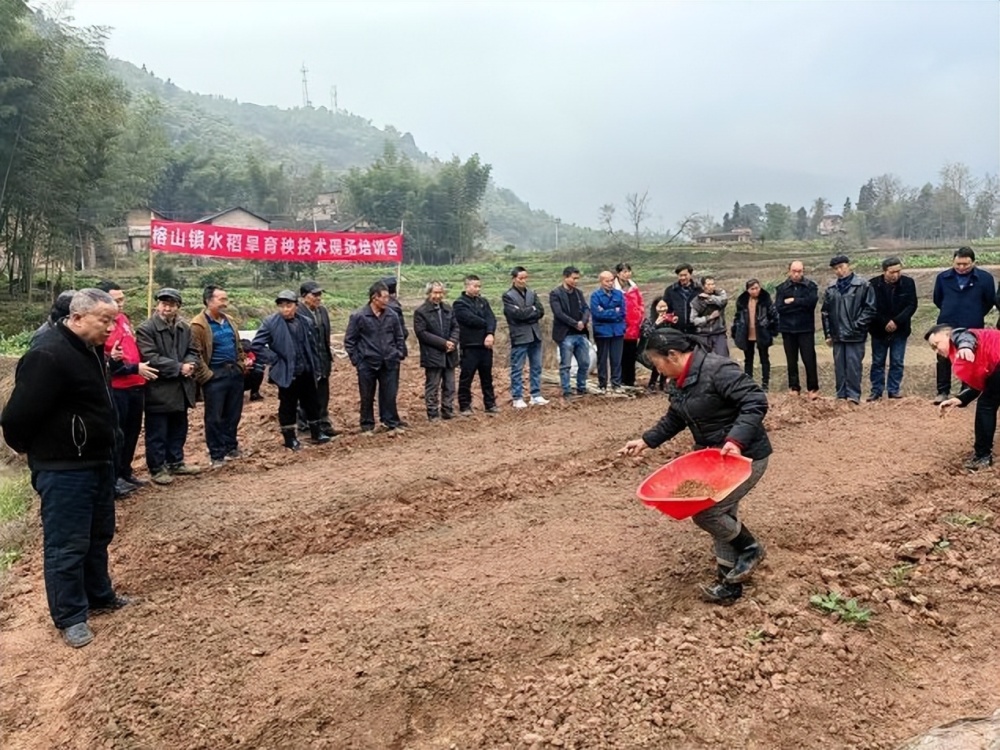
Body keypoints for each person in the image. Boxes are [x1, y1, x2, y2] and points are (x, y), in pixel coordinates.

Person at [1, 289, 131, 648]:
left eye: (114, 320)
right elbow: (15, 419)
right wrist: (39, 452)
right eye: (105, 321)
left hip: (98, 461)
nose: (111, 328)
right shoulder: (49, 355)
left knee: (98, 534)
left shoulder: (92, 352)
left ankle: (99, 595)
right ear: (76, 319)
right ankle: (70, 616)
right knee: (67, 544)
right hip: (64, 469)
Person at [619, 328, 770, 605]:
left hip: (745, 456)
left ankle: (750, 548)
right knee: (723, 516)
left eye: (657, 363)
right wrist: (646, 440)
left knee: (708, 512)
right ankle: (730, 584)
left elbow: (755, 401)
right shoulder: (680, 380)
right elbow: (675, 417)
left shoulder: (718, 369)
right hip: (713, 459)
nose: (657, 369)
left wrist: (736, 440)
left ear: (673, 355)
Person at [251, 291, 333, 451]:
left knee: (312, 402)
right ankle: (290, 439)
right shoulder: (270, 323)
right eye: (281, 306)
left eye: (288, 305)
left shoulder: (306, 321)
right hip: (287, 371)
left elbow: (313, 346)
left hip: (306, 369)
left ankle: (317, 433)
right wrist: (274, 359)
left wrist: (315, 366)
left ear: (296, 305)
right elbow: (257, 345)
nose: (285, 309)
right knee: (287, 405)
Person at [98, 281, 158, 497]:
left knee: (132, 432)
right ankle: (113, 479)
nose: (121, 304)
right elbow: (104, 361)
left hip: (136, 385)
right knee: (118, 434)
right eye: (116, 300)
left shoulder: (123, 319)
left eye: (123, 299)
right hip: (117, 387)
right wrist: (133, 367)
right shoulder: (101, 325)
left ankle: (125, 471)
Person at [136, 288, 201, 485]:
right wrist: (178, 367)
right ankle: (157, 467)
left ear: (178, 307)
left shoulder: (184, 327)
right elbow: (151, 357)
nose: (167, 308)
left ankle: (176, 461)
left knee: (179, 427)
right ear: (158, 305)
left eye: (171, 304)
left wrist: (190, 365)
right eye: (163, 303)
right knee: (157, 431)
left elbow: (193, 350)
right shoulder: (146, 329)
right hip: (159, 388)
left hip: (181, 388)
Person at [928, 324, 1000, 470]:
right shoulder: (965, 356)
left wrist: (965, 346)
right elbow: (981, 383)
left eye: (937, 344)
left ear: (948, 336)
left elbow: (964, 336)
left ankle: (982, 456)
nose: (937, 350)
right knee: (988, 401)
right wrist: (960, 399)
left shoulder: (959, 336)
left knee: (986, 405)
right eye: (933, 348)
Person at [190, 285, 246, 468]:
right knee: (214, 416)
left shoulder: (228, 321)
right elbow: (195, 353)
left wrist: (241, 364)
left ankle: (231, 446)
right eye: (221, 300)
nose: (225, 303)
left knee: (233, 413)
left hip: (234, 373)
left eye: (225, 299)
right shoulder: (198, 325)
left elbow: (237, 345)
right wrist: (207, 376)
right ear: (209, 301)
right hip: (215, 374)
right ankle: (216, 453)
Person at [931, 247, 996, 404]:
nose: (961, 267)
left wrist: (975, 312)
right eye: (958, 264)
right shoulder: (943, 278)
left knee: (969, 355)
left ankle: (966, 390)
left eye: (965, 264)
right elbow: (937, 299)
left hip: (972, 324)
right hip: (947, 323)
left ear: (973, 262)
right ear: (953, 261)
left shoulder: (985, 278)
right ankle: (942, 391)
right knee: (943, 356)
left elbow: (988, 301)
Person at [344, 281, 407, 434]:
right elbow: (349, 341)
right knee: (366, 395)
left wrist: (398, 353)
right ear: (374, 298)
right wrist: (357, 361)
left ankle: (390, 422)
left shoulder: (391, 315)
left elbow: (399, 337)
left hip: (390, 361)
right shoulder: (359, 316)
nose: (387, 300)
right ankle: (367, 425)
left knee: (389, 394)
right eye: (384, 297)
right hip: (367, 363)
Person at [821, 255, 876, 404]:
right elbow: (825, 312)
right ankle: (841, 395)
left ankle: (853, 396)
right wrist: (828, 333)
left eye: (842, 267)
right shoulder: (831, 288)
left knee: (853, 365)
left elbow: (870, 309)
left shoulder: (863, 285)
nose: (839, 271)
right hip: (837, 334)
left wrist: (857, 325)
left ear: (848, 266)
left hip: (855, 334)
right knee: (839, 367)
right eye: (836, 269)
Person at [868, 257, 918, 401]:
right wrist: (885, 322)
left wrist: (896, 321)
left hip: (900, 329)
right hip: (879, 330)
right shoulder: (873, 284)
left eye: (898, 271)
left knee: (897, 361)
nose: (896, 275)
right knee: (878, 361)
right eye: (892, 272)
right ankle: (876, 390)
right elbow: (871, 307)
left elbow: (911, 305)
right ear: (884, 271)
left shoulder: (908, 283)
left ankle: (893, 390)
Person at [413, 281, 460, 420]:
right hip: (432, 354)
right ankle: (432, 413)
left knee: (450, 385)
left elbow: (455, 327)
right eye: (435, 293)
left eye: (440, 293)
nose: (438, 296)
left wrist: (452, 342)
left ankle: (448, 410)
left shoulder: (448, 309)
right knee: (433, 385)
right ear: (429, 294)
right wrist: (443, 343)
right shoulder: (421, 312)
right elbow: (422, 333)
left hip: (449, 353)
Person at [296, 280, 338, 437]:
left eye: (320, 294)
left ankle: (324, 423)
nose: (318, 298)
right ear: (304, 297)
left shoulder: (322, 311)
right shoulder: (298, 313)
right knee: (306, 394)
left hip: (323, 358)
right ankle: (305, 425)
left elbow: (325, 337)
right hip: (307, 361)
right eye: (315, 295)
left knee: (323, 393)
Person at [502, 266, 548, 408]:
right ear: (514, 279)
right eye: (520, 278)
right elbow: (516, 315)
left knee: (536, 366)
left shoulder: (531, 293)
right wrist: (531, 311)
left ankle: (536, 394)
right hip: (520, 336)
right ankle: (517, 397)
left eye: (525, 278)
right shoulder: (508, 296)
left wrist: (527, 312)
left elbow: (540, 311)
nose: (523, 281)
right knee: (517, 367)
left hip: (535, 334)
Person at [453, 274, 499, 415]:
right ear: (466, 286)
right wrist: (486, 323)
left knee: (487, 377)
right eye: (475, 286)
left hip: (486, 345)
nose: (477, 289)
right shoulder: (459, 304)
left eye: (479, 286)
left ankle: (490, 404)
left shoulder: (483, 302)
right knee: (467, 377)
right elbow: (471, 320)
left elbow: (492, 318)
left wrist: (490, 333)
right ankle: (465, 405)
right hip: (470, 346)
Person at [775, 260, 820, 399]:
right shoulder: (781, 288)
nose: (796, 274)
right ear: (789, 271)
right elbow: (780, 307)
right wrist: (800, 304)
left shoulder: (810, 286)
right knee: (791, 359)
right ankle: (794, 387)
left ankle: (813, 388)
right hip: (788, 329)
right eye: (794, 271)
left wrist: (794, 301)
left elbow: (811, 303)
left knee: (809, 359)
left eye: (799, 271)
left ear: (803, 271)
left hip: (805, 328)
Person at [550, 266, 591, 399]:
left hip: (580, 333)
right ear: (565, 277)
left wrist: (583, 322)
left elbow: (586, 308)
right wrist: (575, 323)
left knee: (584, 363)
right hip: (566, 334)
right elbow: (559, 313)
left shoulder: (578, 293)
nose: (576, 281)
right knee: (566, 365)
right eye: (574, 278)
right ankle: (567, 390)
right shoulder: (556, 293)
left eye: (577, 278)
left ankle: (581, 387)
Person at [731, 279, 777, 391]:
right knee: (748, 359)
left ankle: (765, 383)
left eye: (757, 288)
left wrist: (771, 329)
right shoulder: (742, 301)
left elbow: (773, 315)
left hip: (762, 332)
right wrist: (736, 330)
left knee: (764, 358)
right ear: (748, 290)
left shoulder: (765, 300)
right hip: (746, 333)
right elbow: (737, 317)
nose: (755, 291)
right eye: (752, 289)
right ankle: (749, 383)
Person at [590, 270, 626, 394]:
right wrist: (613, 312)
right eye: (607, 281)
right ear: (601, 281)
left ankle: (616, 383)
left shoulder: (619, 294)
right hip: (602, 332)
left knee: (616, 359)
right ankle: (602, 384)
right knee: (602, 359)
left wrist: (606, 311)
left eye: (612, 280)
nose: (610, 283)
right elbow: (597, 313)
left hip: (617, 332)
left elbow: (622, 313)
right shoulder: (595, 296)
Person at [614, 262, 645, 387]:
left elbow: (640, 304)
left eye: (628, 271)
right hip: (620, 327)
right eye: (624, 272)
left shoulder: (634, 287)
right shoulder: (614, 289)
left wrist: (639, 315)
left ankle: (630, 380)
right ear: (618, 273)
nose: (626, 274)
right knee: (619, 355)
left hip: (633, 327)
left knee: (631, 354)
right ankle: (619, 380)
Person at [690, 276, 730, 356]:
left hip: (719, 332)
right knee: (704, 359)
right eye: (708, 284)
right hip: (703, 334)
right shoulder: (696, 301)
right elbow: (693, 320)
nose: (711, 286)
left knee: (722, 357)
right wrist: (709, 317)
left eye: (713, 284)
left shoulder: (719, 295)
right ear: (703, 286)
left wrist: (710, 298)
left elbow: (723, 300)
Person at [645, 296, 677, 392]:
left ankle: (663, 382)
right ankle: (652, 382)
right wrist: (656, 324)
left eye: (665, 307)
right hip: (653, 346)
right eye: (660, 307)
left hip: (667, 344)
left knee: (667, 359)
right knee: (658, 361)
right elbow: (646, 333)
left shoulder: (669, 318)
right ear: (655, 307)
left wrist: (674, 322)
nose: (663, 309)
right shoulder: (651, 319)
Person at [662, 264, 701, 334]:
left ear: (690, 274)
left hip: (697, 331)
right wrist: (670, 319)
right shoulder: (670, 291)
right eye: (680, 275)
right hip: (677, 331)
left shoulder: (699, 290)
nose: (683, 278)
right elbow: (665, 310)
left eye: (685, 275)